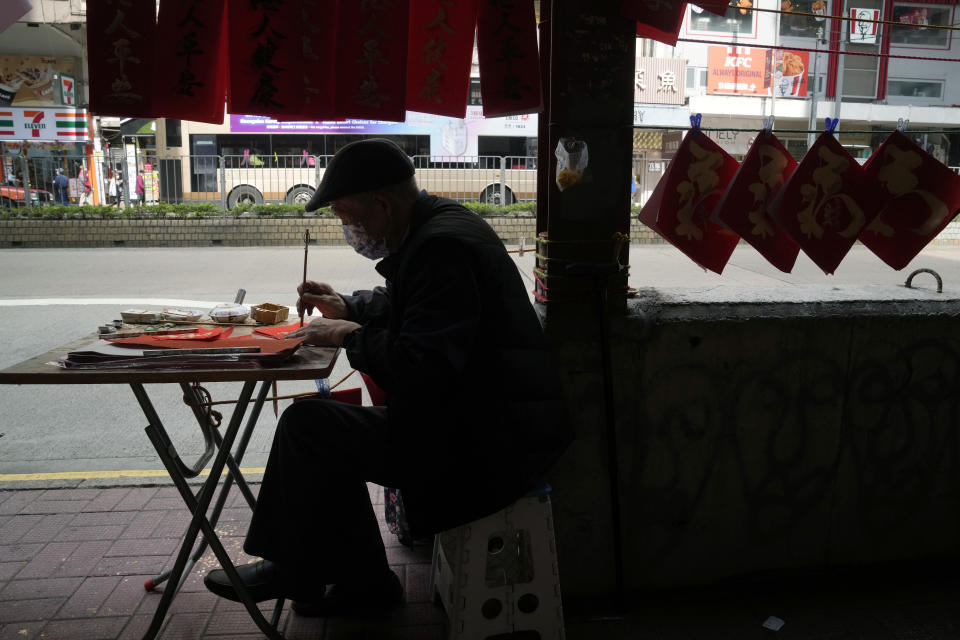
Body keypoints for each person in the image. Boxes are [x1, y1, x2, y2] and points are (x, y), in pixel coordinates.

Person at [203, 138, 572, 616]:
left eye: (347, 216)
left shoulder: (440, 247)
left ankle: (302, 568)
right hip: (477, 420)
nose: (349, 228)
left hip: (488, 443)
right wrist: (348, 306)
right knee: (325, 429)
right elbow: (413, 306)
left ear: (381, 203)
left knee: (310, 428)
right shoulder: (434, 225)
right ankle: (360, 583)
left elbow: (423, 367)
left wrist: (350, 336)